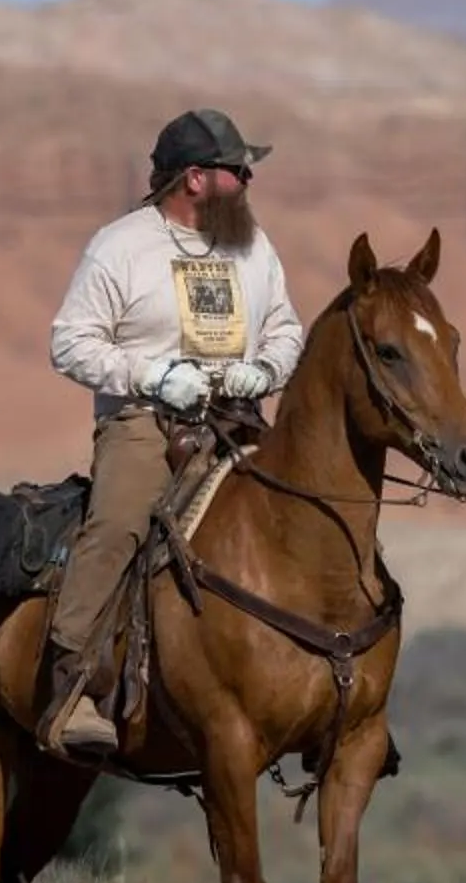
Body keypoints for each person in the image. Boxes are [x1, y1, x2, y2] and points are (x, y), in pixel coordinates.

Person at [41, 108, 306, 762]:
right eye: (237, 170)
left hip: (236, 420)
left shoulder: (253, 246)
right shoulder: (121, 246)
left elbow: (286, 328)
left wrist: (263, 368)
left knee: (309, 512)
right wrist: (152, 374)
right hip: (143, 424)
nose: (248, 181)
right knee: (119, 525)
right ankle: (72, 687)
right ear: (194, 178)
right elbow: (69, 342)